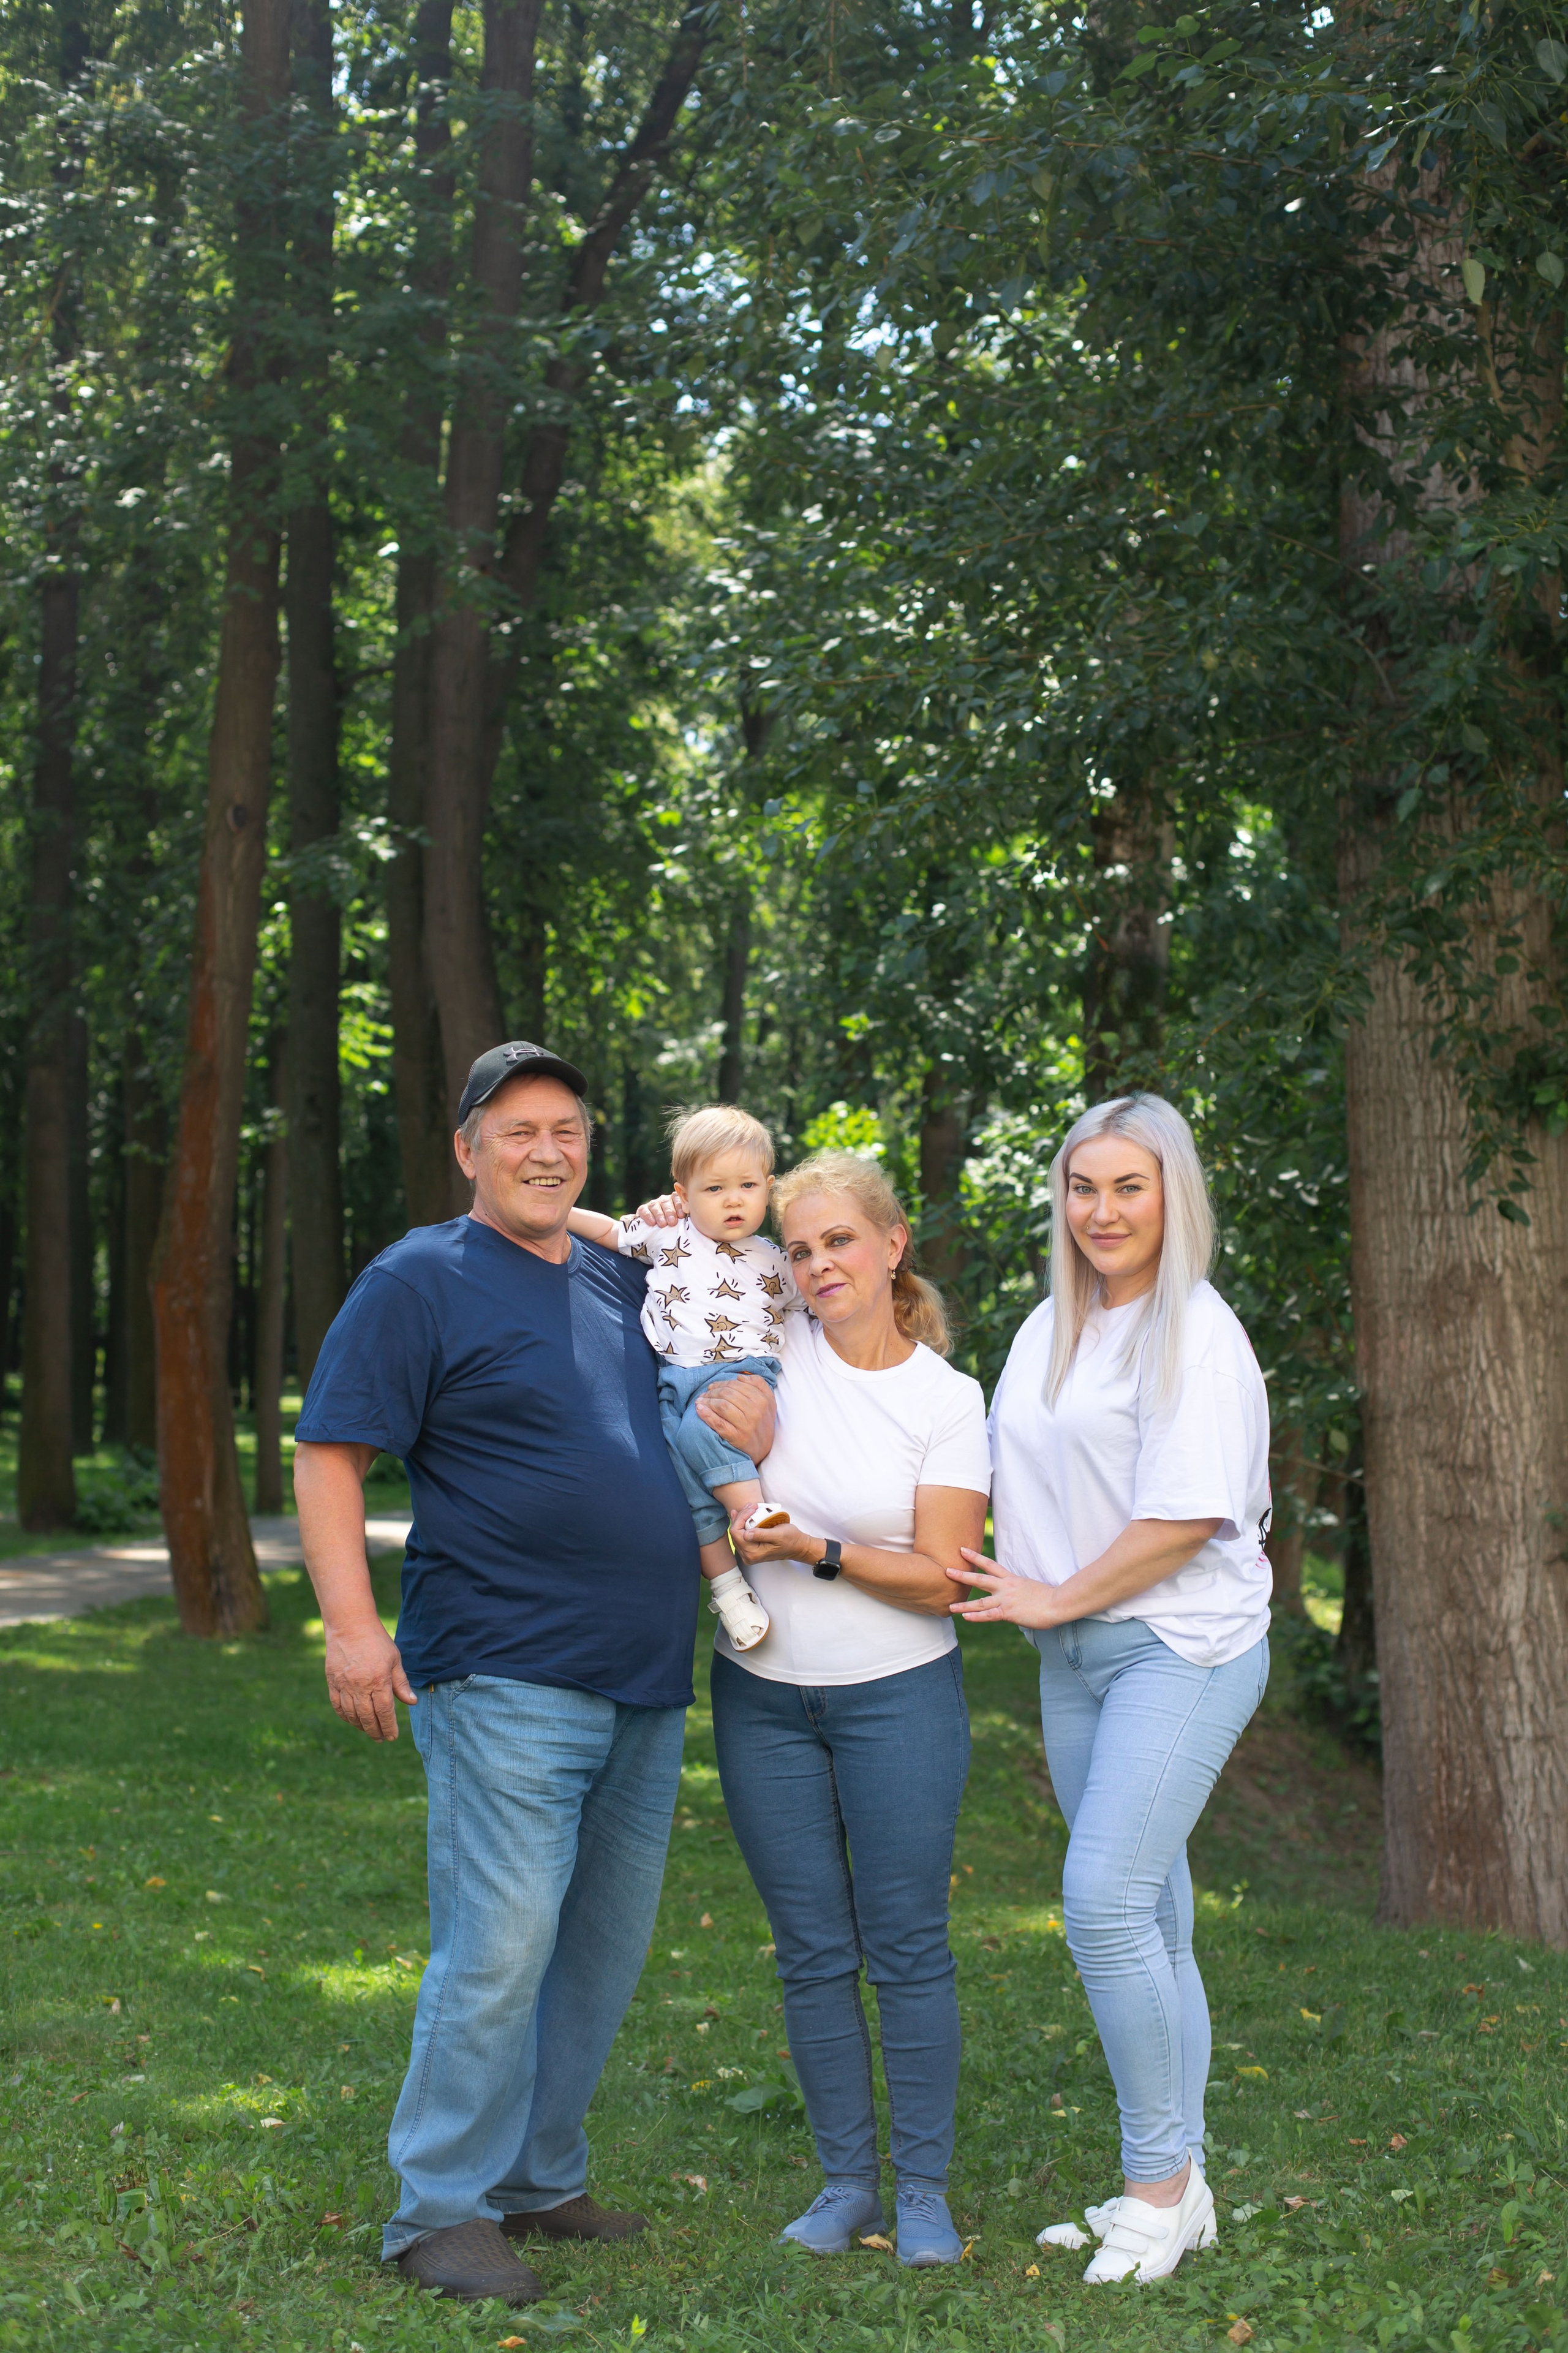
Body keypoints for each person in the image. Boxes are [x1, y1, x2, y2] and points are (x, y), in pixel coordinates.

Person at [292, 1041, 709, 2310]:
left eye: (567, 1128)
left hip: (642, 1674)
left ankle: (539, 2177)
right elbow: (330, 1452)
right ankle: (440, 2209)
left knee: (596, 1948)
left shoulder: (611, 1276)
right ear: (467, 1149)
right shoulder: (419, 1276)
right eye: (517, 1129)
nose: (545, 1148)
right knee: (501, 1944)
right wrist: (353, 1628)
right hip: (503, 1666)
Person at [949, 1093, 1272, 2288]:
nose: (1100, 1211)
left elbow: (1187, 1519)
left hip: (1175, 1646)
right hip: (1073, 1657)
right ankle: (1179, 2189)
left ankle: (1153, 2185)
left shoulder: (1196, 1330)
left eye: (1126, 1186)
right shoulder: (1049, 1326)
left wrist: (1053, 1593)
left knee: (1099, 1904)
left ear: (1169, 1195)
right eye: (1081, 1188)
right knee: (1152, 1920)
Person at [690, 1150, 992, 2269]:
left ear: (893, 1243)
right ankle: (843, 2183)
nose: (819, 1265)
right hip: (762, 1700)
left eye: (840, 1242)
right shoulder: (763, 1361)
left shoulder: (945, 1399)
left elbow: (946, 1576)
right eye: (801, 1247)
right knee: (812, 1951)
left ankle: (922, 2190)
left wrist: (817, 1550)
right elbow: (674, 1271)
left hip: (898, 1698)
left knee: (906, 1946)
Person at [567, 1104, 801, 1652]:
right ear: (684, 1193)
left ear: (769, 1188)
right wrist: (560, 1210)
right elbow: (608, 1230)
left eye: (747, 1185)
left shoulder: (776, 1259)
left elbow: (816, 1307)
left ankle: (752, 1517)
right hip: (673, 1381)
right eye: (715, 1188)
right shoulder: (667, 1236)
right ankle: (728, 1589)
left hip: (743, 1372)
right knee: (682, 1490)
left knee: (706, 1431)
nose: (734, 1199)